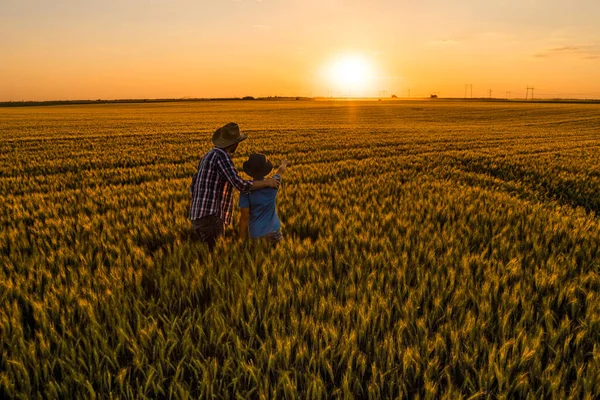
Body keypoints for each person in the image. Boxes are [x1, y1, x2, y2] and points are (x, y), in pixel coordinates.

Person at [189, 123, 279, 250]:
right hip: (211, 217)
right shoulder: (222, 156)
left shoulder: (207, 156)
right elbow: (239, 184)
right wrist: (266, 183)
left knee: (208, 259)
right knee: (216, 260)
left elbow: (193, 186)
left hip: (197, 217)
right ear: (234, 143)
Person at [238, 154, 290, 243]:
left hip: (257, 234)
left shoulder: (245, 191)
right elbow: (280, 170)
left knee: (258, 256)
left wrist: (240, 238)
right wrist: (285, 162)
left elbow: (244, 218)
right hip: (274, 231)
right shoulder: (273, 183)